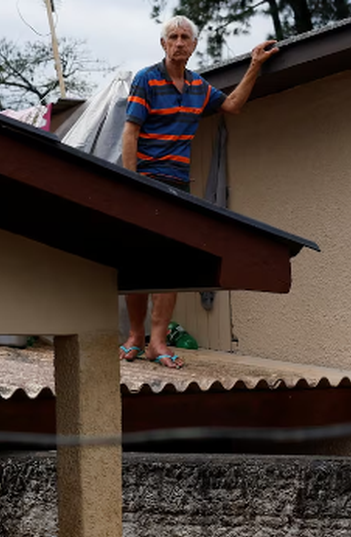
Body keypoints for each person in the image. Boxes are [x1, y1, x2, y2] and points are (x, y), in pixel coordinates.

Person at [119, 16, 277, 369]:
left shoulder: (198, 87)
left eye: (185, 37)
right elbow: (130, 131)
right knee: (137, 261)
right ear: (163, 45)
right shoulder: (147, 79)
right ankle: (134, 336)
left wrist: (253, 65)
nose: (178, 42)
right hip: (144, 180)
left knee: (169, 263)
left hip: (177, 184)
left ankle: (157, 343)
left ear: (193, 45)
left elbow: (232, 105)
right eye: (172, 37)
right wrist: (130, 182)